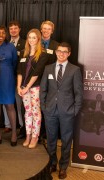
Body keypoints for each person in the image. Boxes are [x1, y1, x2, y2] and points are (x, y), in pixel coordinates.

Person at [40, 42, 83, 179]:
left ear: (69, 54)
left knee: (66, 140)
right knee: (51, 139)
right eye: (59, 51)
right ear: (56, 52)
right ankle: (52, 163)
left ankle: (63, 167)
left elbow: (79, 93)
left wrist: (75, 110)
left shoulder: (75, 70)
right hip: (50, 110)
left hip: (67, 112)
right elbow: (43, 89)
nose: (61, 54)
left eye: (65, 52)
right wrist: (44, 107)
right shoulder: (48, 68)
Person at [17, 29, 48, 149]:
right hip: (23, 88)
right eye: (29, 37)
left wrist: (27, 87)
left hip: (35, 87)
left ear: (38, 39)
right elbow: (19, 71)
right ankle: (28, 136)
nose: (31, 40)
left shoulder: (43, 54)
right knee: (27, 112)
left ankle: (35, 137)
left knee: (36, 112)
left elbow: (37, 73)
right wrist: (19, 86)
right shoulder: (23, 53)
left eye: (34, 37)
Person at [0, 25, 18, 146]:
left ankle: (14, 133)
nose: (1, 35)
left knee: (10, 106)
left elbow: (15, 63)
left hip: (8, 78)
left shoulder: (11, 46)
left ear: (6, 34)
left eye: (3, 33)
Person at [8, 20, 26, 138]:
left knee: (20, 104)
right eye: (11, 29)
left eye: (15, 28)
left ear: (19, 29)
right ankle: (8, 125)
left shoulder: (25, 43)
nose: (13, 30)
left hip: (20, 78)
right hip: (7, 78)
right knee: (8, 103)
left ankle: (22, 126)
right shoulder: (5, 43)